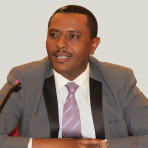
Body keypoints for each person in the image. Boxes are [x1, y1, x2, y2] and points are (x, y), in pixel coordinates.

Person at [0, 5, 148, 148]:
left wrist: (99, 146)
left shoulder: (119, 80)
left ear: (93, 44)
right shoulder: (24, 79)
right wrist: (50, 145)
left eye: (73, 36)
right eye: (54, 35)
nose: (60, 44)